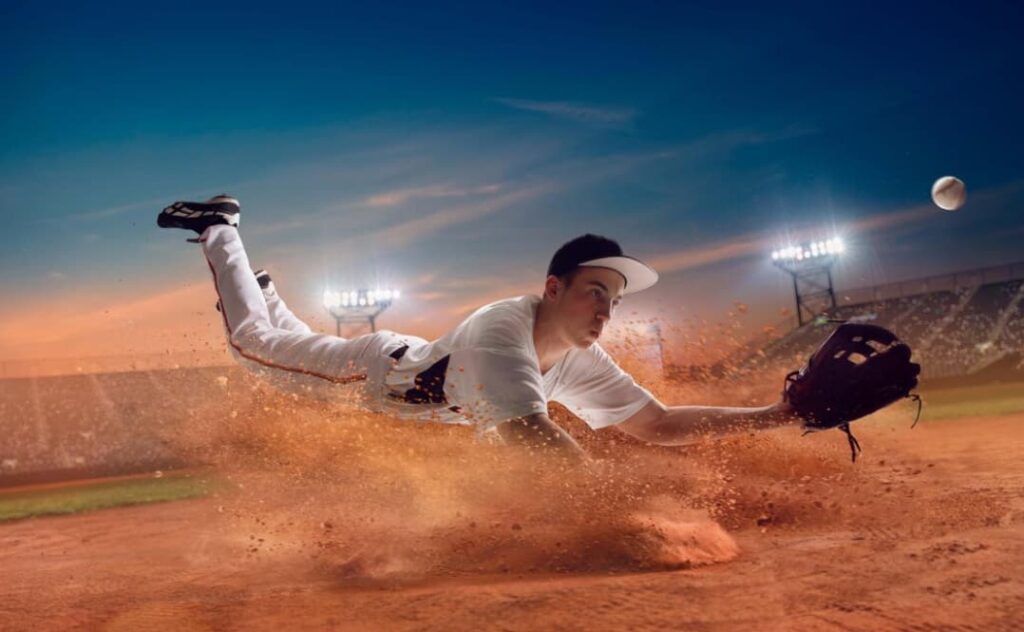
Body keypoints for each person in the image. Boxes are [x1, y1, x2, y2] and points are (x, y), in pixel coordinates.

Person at [159, 195, 798, 458]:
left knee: (285, 341)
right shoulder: (502, 335)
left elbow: (657, 424)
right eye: (594, 292)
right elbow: (538, 444)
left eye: (615, 300)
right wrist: (622, 509)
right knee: (253, 348)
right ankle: (220, 227)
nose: (606, 309)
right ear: (554, 289)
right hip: (364, 379)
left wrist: (780, 414)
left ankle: (261, 289)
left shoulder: (574, 354)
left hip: (396, 361)